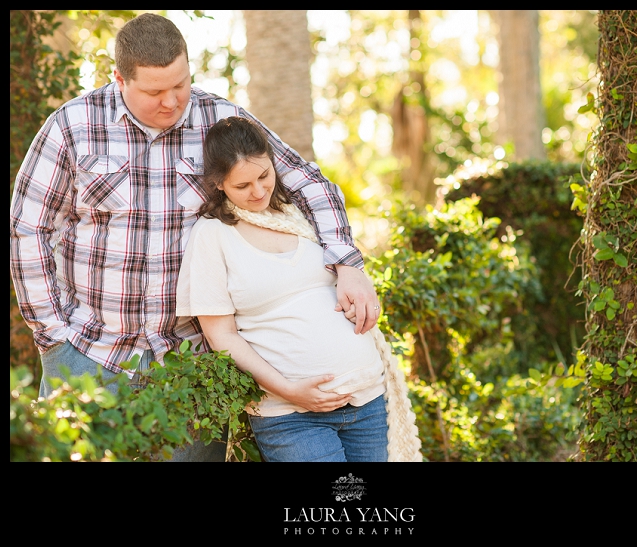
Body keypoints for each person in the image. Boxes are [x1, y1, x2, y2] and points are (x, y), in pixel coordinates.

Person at [9, 13, 379, 462]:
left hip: (190, 362)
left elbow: (308, 183)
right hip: (89, 352)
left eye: (181, 84)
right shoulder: (72, 125)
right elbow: (29, 228)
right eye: (154, 91)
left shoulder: (219, 120)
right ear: (119, 79)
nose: (172, 101)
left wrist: (347, 262)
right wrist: (53, 335)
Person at [176, 116, 421, 462]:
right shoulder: (211, 235)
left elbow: (345, 271)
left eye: (264, 176)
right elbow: (222, 336)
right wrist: (289, 390)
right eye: (242, 185)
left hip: (368, 398)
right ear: (218, 184)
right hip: (290, 415)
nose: (258, 191)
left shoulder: (299, 213)